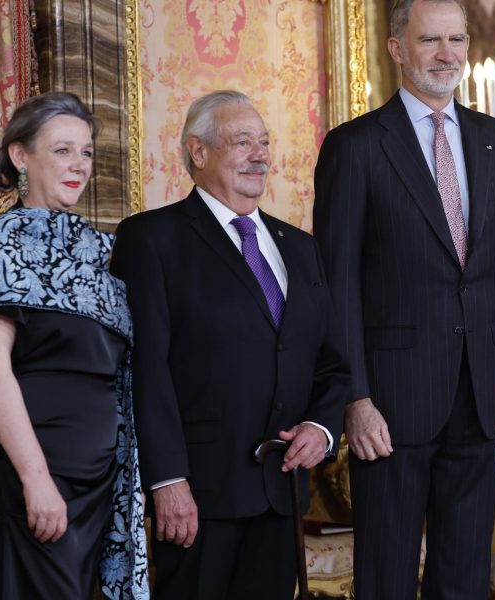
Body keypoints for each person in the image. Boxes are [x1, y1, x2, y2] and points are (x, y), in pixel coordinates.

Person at [313, 0, 495, 596]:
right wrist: (354, 397)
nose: (446, 54)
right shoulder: (355, 146)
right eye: (430, 40)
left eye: (456, 39)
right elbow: (337, 285)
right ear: (397, 49)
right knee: (386, 576)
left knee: (464, 576)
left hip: (481, 396)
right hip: (389, 401)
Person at [110, 90, 348, 600]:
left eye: (264, 142)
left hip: (283, 493)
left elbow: (330, 361)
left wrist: (322, 427)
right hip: (199, 498)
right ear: (198, 151)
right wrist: (167, 481)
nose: (260, 155)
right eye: (243, 142)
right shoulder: (151, 239)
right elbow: (145, 370)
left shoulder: (301, 248)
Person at [0, 91, 149, 599]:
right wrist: (36, 480)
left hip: (99, 479)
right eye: (62, 150)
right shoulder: (0, 244)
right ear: (20, 156)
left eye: (86, 152)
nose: (79, 165)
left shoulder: (105, 252)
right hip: (31, 476)